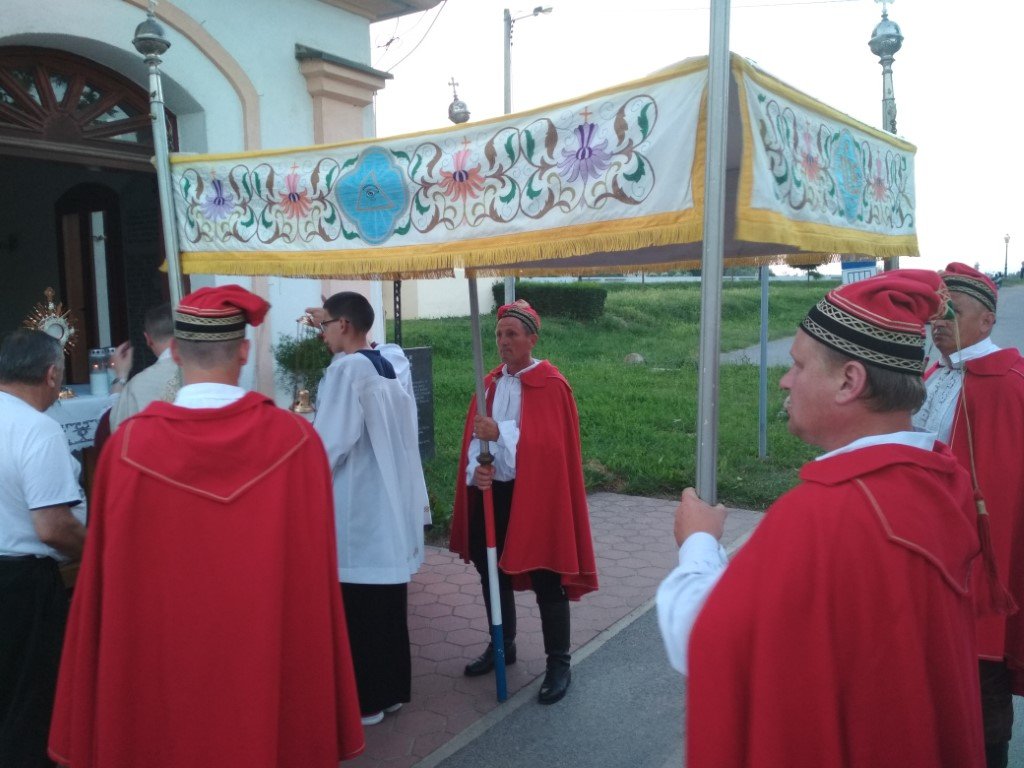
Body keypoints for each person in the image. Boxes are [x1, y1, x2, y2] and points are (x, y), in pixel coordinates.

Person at [657, 271, 991, 767]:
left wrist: (699, 543)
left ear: (849, 381)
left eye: (798, 365)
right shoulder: (941, 480)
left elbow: (705, 637)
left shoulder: (825, 514)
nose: (785, 380)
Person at [49, 285, 365, 768]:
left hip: (163, 673)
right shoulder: (297, 442)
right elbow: (312, 580)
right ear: (244, 352)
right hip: (264, 665)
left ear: (175, 352)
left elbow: (105, 587)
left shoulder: (128, 449)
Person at [449, 299, 598, 705]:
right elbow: (475, 440)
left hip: (536, 496)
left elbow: (550, 449)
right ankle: (503, 643)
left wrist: (501, 434)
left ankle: (559, 662)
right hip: (494, 492)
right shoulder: (490, 383)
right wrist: (477, 470)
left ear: (532, 339)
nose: (503, 341)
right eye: (499, 334)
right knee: (489, 568)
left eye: (512, 334)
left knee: (547, 574)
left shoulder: (552, 385)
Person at [913, 262, 1024, 768]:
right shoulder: (934, 373)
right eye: (936, 312)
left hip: (981, 560)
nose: (939, 322)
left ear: (987, 321)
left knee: (981, 682)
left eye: (952, 312)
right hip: (925, 548)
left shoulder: (1008, 385)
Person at [307, 291, 430, 726]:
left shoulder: (347, 370)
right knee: (387, 604)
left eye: (324, 325)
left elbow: (330, 442)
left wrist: (302, 473)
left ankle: (367, 702)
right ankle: (391, 692)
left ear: (343, 324)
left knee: (359, 607)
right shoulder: (388, 364)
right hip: (388, 499)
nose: (322, 334)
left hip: (357, 503)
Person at [0, 329, 87, 768]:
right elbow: (53, 527)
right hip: (21, 586)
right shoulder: (37, 428)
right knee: (29, 705)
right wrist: (97, 554)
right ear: (52, 374)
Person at [108, 302, 181, 431]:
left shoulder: (139, 385)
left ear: (147, 338)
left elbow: (118, 430)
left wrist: (120, 377)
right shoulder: (204, 370)